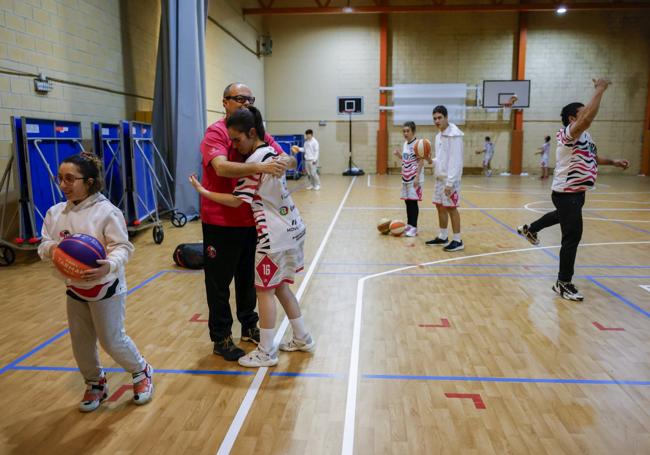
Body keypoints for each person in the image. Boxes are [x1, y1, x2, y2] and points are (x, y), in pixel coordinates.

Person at [190, 106, 315, 368]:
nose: (235, 145)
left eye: (237, 140)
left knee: (264, 290)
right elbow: (289, 160)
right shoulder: (272, 153)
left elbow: (237, 201)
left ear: (251, 132)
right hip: (293, 227)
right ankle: (303, 337)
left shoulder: (253, 162)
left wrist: (204, 191)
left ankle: (266, 351)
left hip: (272, 236)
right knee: (280, 286)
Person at [38, 152, 153, 412]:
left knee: (111, 340)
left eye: (70, 179)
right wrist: (53, 250)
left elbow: (123, 247)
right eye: (60, 179)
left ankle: (141, 371)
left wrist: (109, 265)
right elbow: (43, 244)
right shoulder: (55, 213)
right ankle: (95, 383)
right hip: (74, 287)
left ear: (88, 181)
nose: (63, 185)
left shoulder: (107, 212)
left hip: (106, 287)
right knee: (80, 341)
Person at [517, 79, 629, 301]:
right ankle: (563, 282)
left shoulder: (585, 137)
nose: (587, 114)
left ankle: (531, 229)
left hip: (575, 193)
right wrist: (600, 89)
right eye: (582, 112)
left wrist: (613, 161)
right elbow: (587, 118)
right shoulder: (568, 134)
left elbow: (593, 157)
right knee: (572, 236)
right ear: (572, 119)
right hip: (567, 193)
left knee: (562, 217)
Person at [199, 82, 288, 361]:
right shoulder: (216, 132)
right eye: (239, 98)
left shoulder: (256, 131)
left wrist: (286, 161)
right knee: (219, 282)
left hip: (251, 220)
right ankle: (221, 337)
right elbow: (222, 167)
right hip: (220, 220)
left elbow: (283, 158)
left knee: (249, 279)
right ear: (225, 102)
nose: (246, 103)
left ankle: (249, 326)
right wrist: (261, 166)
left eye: (250, 99)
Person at [425, 105, 465, 252]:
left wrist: (450, 183)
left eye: (439, 117)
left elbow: (456, 161)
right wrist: (431, 161)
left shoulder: (454, 135)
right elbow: (442, 159)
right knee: (439, 206)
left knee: (451, 208)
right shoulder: (438, 136)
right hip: (440, 178)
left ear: (446, 118)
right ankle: (443, 236)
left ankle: (458, 240)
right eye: (434, 118)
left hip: (451, 180)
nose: (437, 121)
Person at [392, 121, 426, 237]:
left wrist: (417, 177)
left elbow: (421, 161)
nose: (405, 133)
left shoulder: (418, 144)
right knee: (407, 202)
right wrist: (399, 155)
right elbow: (407, 160)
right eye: (404, 131)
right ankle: (409, 225)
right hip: (406, 177)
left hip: (415, 178)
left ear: (413, 131)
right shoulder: (405, 144)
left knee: (413, 202)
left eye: (408, 131)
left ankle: (414, 227)